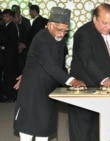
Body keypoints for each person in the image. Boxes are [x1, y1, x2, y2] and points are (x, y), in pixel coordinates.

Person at [13, 7, 86, 141]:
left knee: (44, 129)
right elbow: (50, 65)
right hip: (33, 89)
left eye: (65, 31)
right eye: (59, 30)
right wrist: (71, 80)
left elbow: (58, 66)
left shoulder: (59, 39)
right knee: (28, 129)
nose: (62, 34)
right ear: (49, 25)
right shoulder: (41, 38)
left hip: (48, 89)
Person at [68, 3, 110, 141]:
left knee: (100, 132)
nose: (108, 27)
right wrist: (105, 80)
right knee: (82, 134)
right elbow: (87, 60)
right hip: (84, 90)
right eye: (105, 23)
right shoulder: (83, 33)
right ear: (95, 18)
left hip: (105, 92)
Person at [2, 9, 20, 102]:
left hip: (10, 56)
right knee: (9, 76)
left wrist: (3, 46)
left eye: (6, 16)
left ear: (10, 17)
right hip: (10, 56)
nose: (4, 18)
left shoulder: (11, 26)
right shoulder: (8, 26)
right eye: (4, 16)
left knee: (10, 76)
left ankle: (11, 95)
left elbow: (9, 41)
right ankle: (10, 94)